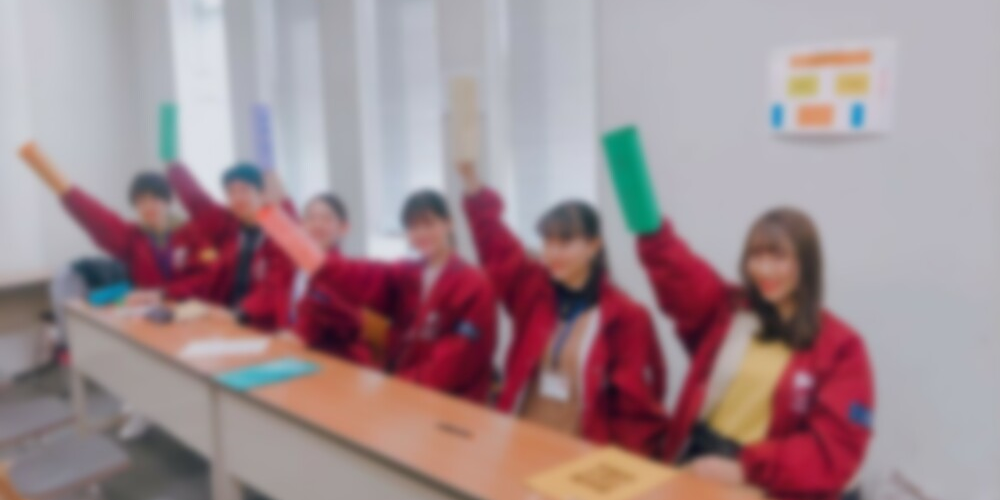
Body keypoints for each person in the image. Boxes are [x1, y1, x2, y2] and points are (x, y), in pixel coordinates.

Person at [634, 207, 874, 499]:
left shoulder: (842, 347)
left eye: (778, 257)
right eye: (756, 256)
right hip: (700, 460)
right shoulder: (727, 310)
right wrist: (651, 230)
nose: (764, 270)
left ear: (807, 262)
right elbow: (677, 272)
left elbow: (833, 450)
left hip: (768, 482)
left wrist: (744, 470)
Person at [458, 162, 668, 458]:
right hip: (521, 440)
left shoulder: (627, 316)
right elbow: (497, 248)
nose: (552, 253)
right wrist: (473, 186)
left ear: (594, 246)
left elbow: (634, 410)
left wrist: (622, 469)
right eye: (547, 242)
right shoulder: (533, 290)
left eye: (565, 242)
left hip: (581, 454)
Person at [303, 189, 496, 401]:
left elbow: (455, 362)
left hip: (450, 402)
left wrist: (396, 385)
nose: (421, 233)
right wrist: (320, 262)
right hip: (404, 390)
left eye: (428, 224)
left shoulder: (474, 284)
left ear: (448, 223)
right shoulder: (408, 273)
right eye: (412, 227)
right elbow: (363, 276)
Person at [20, 146, 217, 302]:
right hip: (150, 316)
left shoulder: (193, 234)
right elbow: (97, 218)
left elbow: (209, 277)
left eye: (154, 199)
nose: (148, 206)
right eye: (141, 201)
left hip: (192, 312)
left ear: (168, 201)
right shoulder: (133, 237)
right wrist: (66, 191)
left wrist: (166, 293)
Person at [166, 162, 295, 330]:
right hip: (227, 324)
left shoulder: (278, 235)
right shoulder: (232, 234)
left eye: (244, 190)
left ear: (262, 194)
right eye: (231, 192)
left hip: (263, 328)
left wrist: (240, 313)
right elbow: (197, 201)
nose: (237, 198)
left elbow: (276, 287)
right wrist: (165, 292)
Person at [288, 193, 375, 365]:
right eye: (311, 218)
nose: (317, 225)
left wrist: (295, 336)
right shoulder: (293, 266)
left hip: (337, 360)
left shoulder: (346, 273)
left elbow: (338, 326)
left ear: (343, 227)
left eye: (326, 219)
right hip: (296, 353)